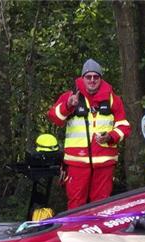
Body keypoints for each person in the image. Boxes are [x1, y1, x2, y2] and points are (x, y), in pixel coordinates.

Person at [47, 59, 130, 209]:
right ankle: (75, 232)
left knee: (101, 206)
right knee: (76, 205)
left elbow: (124, 126)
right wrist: (67, 106)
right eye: (88, 76)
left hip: (104, 162)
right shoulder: (71, 96)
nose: (92, 80)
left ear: (100, 78)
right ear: (82, 78)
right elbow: (54, 117)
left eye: (96, 77)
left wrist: (111, 137)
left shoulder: (112, 99)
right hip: (77, 162)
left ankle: (98, 233)